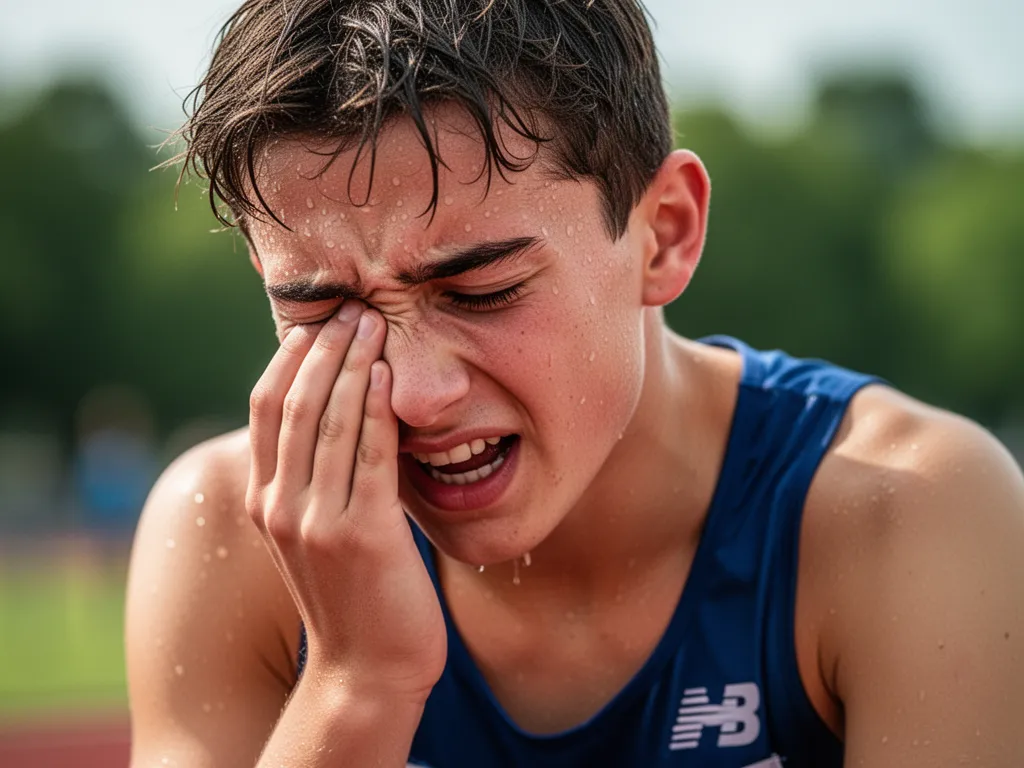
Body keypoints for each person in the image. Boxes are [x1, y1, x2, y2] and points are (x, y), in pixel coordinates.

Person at [125, 1, 1024, 766]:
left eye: (481, 292)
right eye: (322, 309)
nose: (413, 393)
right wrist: (356, 684)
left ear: (664, 233)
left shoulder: (907, 513)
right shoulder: (231, 531)